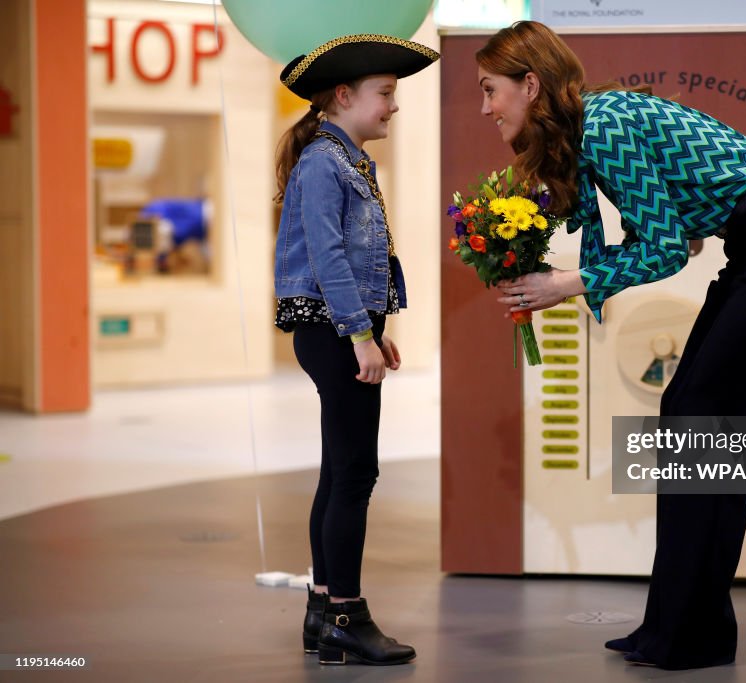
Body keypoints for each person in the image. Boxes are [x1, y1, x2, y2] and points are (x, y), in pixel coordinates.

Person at [476, 21, 746, 670]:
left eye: (491, 90)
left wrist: (566, 282)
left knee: (707, 425)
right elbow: (678, 216)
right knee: (690, 417)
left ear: (530, 85)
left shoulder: (604, 125)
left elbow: (668, 247)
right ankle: (674, 622)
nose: (485, 107)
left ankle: (692, 631)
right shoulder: (590, 127)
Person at [273, 34, 439, 666]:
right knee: (356, 475)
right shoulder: (324, 162)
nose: (393, 106)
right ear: (344, 96)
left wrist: (373, 324)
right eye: (386, 94)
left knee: (338, 471)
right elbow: (327, 256)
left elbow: (347, 256)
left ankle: (322, 610)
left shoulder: (344, 159)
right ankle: (347, 615)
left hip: (338, 325)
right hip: (333, 328)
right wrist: (358, 332)